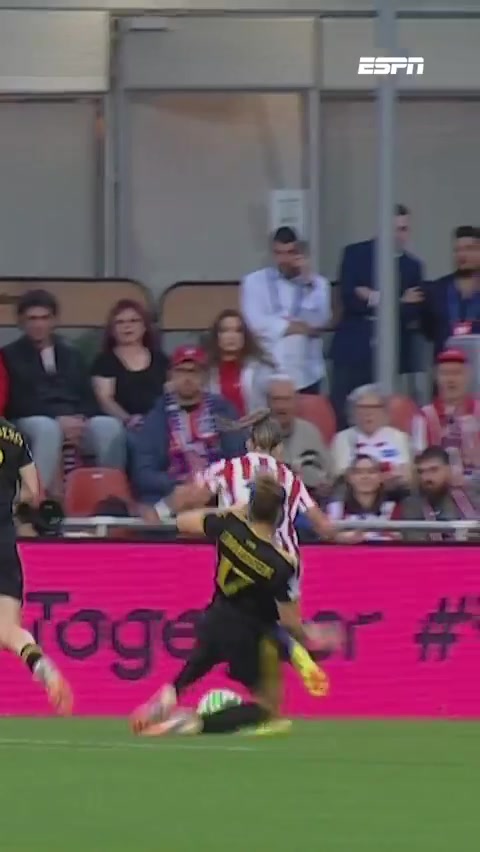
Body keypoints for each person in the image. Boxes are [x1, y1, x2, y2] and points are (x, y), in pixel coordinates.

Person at [132, 473, 338, 738]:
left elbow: (184, 522)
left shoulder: (229, 526)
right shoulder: (283, 563)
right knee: (268, 708)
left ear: (249, 506)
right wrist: (307, 640)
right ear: (279, 516)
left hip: (215, 618)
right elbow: (289, 621)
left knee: (189, 674)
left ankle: (166, 699)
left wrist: (231, 511)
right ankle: (189, 723)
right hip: (245, 634)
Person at [2, 289, 123, 493]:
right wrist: (58, 420)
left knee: (108, 427)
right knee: (47, 429)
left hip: (74, 420)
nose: (39, 324)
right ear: (21, 322)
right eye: (32, 319)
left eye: (44, 318)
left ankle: (109, 496)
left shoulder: (72, 353)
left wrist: (80, 420)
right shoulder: (9, 355)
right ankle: (33, 499)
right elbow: (16, 402)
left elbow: (87, 395)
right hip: (30, 421)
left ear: (54, 320)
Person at [0, 417, 72, 713]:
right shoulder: (13, 434)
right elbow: (32, 490)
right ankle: (41, 665)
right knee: (7, 630)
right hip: (3, 542)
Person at [330, 204, 424, 427]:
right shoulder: (354, 254)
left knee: (387, 416)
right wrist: (397, 301)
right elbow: (349, 298)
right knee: (343, 414)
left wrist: (372, 297)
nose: (399, 235)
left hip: (392, 352)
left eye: (404, 229)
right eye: (394, 229)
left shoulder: (413, 266)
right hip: (353, 349)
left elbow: (412, 310)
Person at [130, 345, 246, 511]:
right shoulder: (156, 416)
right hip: (172, 494)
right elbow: (144, 474)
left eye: (194, 372)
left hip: (217, 494)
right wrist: (178, 485)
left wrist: (212, 485)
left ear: (204, 376)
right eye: (181, 371)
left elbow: (238, 460)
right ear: (171, 375)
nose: (187, 378)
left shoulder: (224, 411)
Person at [240, 229, 331, 394]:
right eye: (279, 253)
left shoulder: (318, 284)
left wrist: (308, 282)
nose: (284, 260)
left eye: (290, 253)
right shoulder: (254, 281)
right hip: (268, 370)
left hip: (306, 373)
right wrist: (292, 326)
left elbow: (318, 322)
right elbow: (254, 322)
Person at [92, 299, 169, 430]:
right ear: (112, 330)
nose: (127, 326)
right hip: (121, 425)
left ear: (144, 327)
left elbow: (171, 394)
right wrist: (128, 419)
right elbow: (105, 399)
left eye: (134, 321)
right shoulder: (104, 361)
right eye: (120, 322)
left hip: (159, 424)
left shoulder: (161, 359)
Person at [411, 349, 480, 485]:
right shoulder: (424, 417)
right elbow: (418, 462)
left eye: (457, 373)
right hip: (439, 490)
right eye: (445, 374)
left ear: (468, 375)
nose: (451, 380)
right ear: (436, 377)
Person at [331, 384, 412, 490]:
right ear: (353, 412)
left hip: (396, 491)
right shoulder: (342, 438)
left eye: (374, 407)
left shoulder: (399, 437)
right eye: (362, 408)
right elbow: (341, 475)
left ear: (384, 411)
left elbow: (408, 474)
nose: (368, 413)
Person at [267, 374, 332, 499]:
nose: (281, 406)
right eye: (276, 400)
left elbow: (327, 474)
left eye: (286, 400)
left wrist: (324, 485)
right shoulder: (255, 433)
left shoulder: (310, 432)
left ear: (296, 402)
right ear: (268, 402)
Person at [398, 446, 480, 542]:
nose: (426, 478)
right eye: (421, 472)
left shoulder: (472, 490)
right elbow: (416, 542)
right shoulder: (412, 505)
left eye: (434, 470)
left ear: (449, 469)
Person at [204, 309, 276, 416]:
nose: (231, 336)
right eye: (225, 330)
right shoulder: (206, 373)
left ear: (244, 336)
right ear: (217, 336)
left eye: (238, 331)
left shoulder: (262, 370)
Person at [422, 226, 480, 356]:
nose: (462, 255)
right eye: (457, 250)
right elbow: (428, 330)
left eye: (469, 249)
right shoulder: (437, 290)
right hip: (446, 364)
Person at [327, 455, 399, 542]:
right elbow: (326, 538)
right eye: (358, 472)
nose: (365, 477)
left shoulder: (393, 508)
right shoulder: (336, 509)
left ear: (381, 477)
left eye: (371, 472)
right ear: (349, 478)